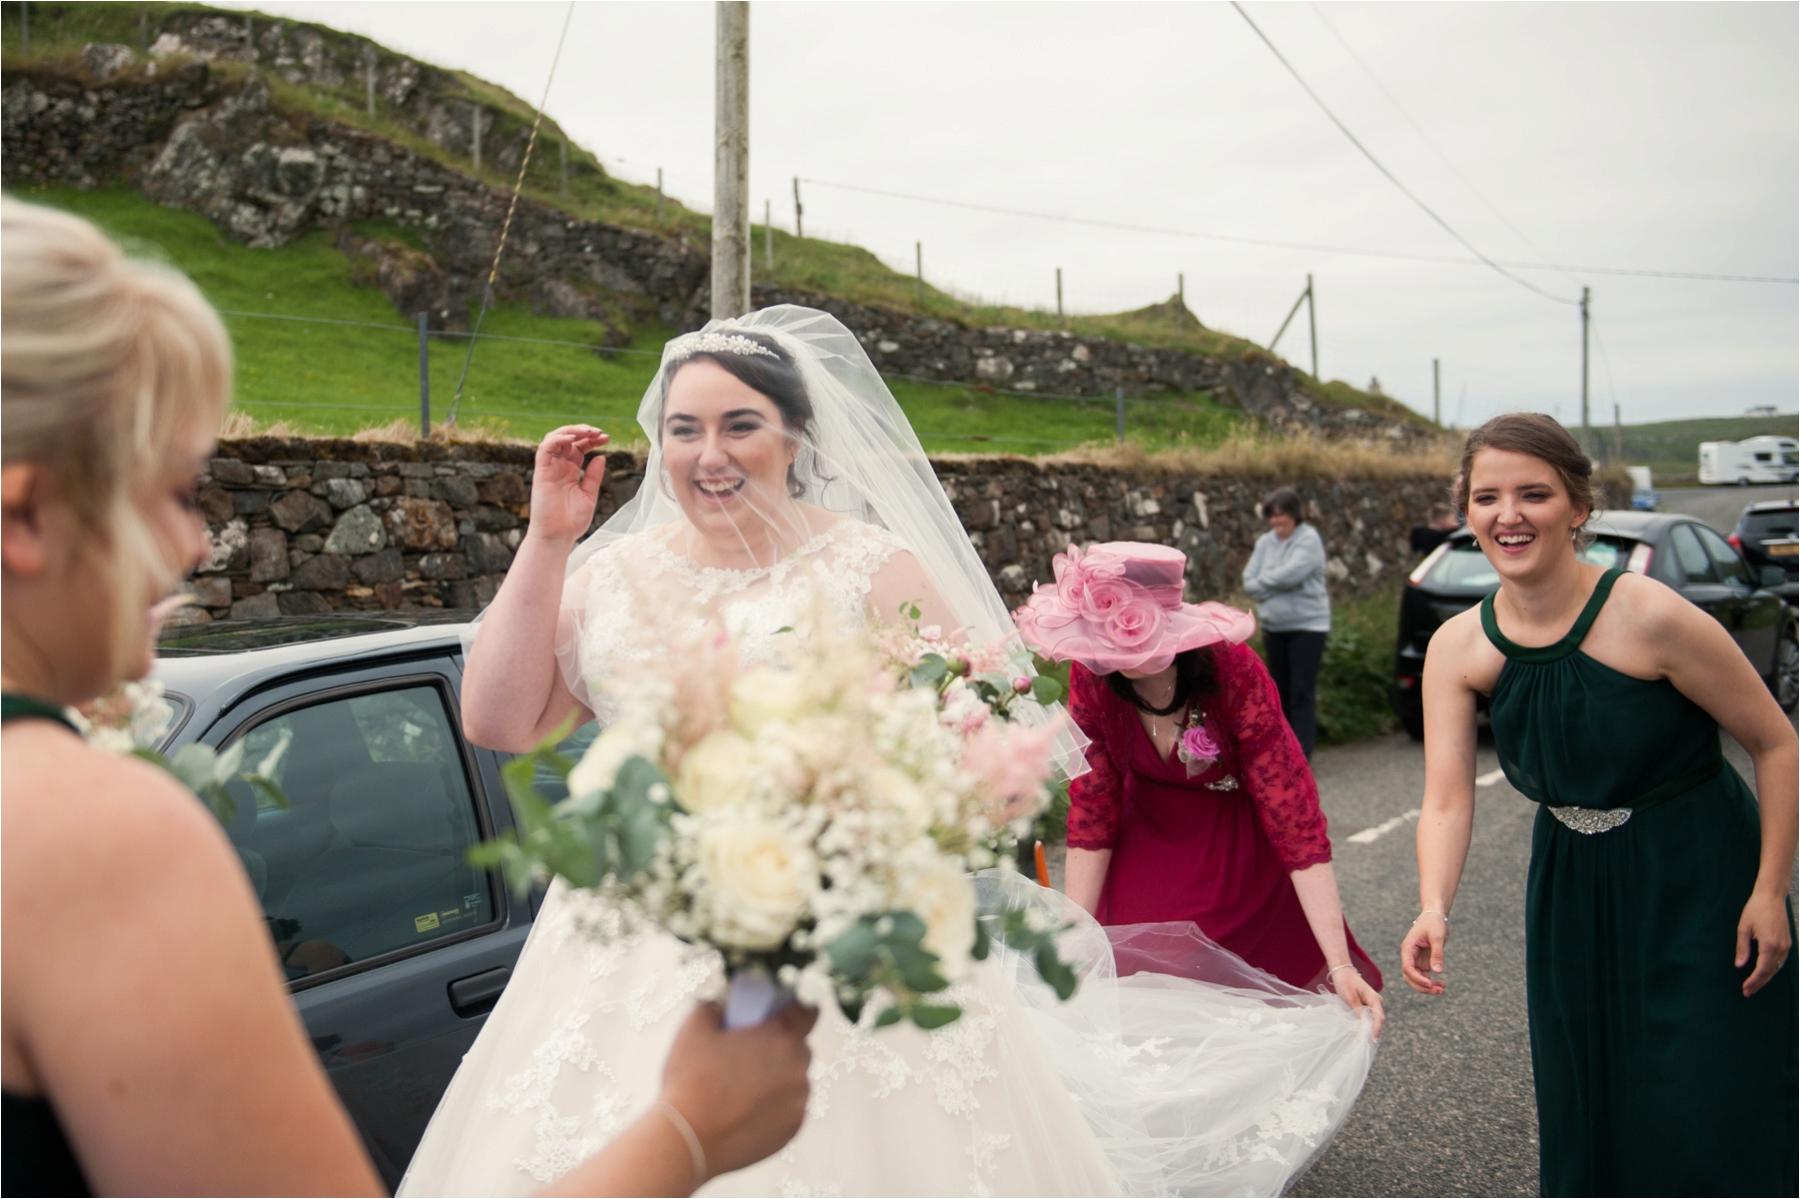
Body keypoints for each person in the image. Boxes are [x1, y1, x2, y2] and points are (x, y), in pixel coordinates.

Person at [407, 306, 1378, 1198]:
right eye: (683, 427)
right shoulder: (607, 574)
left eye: (739, 424)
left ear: (795, 436)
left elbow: (999, 760)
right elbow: (498, 719)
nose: (709, 453)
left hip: (841, 943)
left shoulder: (868, 568)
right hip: (624, 949)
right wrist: (546, 539)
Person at [0, 197, 814, 1198]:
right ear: (27, 516)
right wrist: (688, 1133)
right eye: (168, 492)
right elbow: (500, 715)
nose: (194, 545)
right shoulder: (87, 834)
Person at [1399, 413, 1798, 1197]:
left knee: (1705, 1093)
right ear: (1466, 511)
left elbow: (1777, 743)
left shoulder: (1652, 615)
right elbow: (1446, 799)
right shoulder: (1457, 646)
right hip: (1570, 886)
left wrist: (1768, 889)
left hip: (1699, 877)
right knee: (1590, 1090)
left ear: (1578, 506)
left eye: (1534, 494)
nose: (1508, 514)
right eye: (1488, 496)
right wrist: (1432, 906)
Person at [1014, 541, 1384, 1033]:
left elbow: (1293, 814)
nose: (1116, 655)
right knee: (1146, 1002)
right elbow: (1092, 808)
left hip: (1236, 855)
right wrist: (1081, 943)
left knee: (1240, 1018)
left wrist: (1337, 962)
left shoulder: (1234, 670)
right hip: (1146, 842)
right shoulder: (1093, 676)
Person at [1240, 486, 1330, 757]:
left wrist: (1263, 585)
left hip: (1307, 627)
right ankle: (1283, 750)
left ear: (1294, 514)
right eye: (1272, 516)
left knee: (1301, 691)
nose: (1276, 521)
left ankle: (1302, 752)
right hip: (1274, 627)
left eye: (1281, 515)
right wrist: (1269, 584)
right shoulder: (1265, 542)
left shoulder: (1309, 539)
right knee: (1278, 690)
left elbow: (1292, 574)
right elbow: (1248, 579)